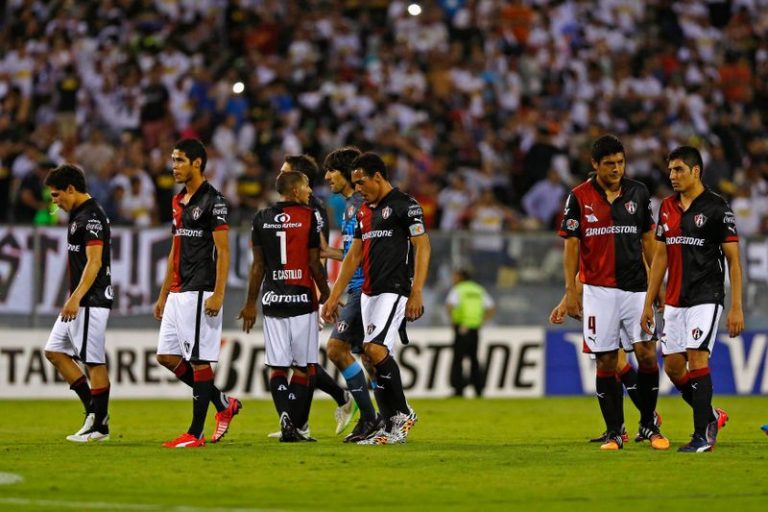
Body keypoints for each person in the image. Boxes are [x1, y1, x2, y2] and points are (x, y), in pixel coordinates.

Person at [560, 135, 668, 451]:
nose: (617, 169)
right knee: (606, 360)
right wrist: (570, 292)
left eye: (620, 162)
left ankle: (649, 424)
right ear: (595, 164)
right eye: (610, 164)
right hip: (598, 291)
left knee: (647, 353)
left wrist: (657, 284)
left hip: (636, 288)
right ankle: (614, 432)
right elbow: (571, 246)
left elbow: (649, 241)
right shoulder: (578, 197)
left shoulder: (638, 192)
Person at [321, 152, 430, 445]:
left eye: (361, 182)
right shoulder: (364, 212)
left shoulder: (405, 205)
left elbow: (422, 247)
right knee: (369, 356)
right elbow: (352, 256)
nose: (357, 189)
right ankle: (389, 425)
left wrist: (417, 291)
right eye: (354, 183)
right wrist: (334, 295)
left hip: (394, 289)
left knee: (374, 349)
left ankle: (403, 413)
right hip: (368, 292)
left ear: (378, 177)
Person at [641, 145, 743, 453]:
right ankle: (711, 415)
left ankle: (702, 436)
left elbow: (734, 261)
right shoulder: (666, 207)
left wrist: (736, 306)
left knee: (698, 358)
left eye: (679, 169)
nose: (672, 175)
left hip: (706, 296)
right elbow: (660, 257)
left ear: (695, 171)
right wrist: (648, 302)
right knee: (673, 368)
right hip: (675, 299)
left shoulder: (717, 207)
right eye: (670, 170)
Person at [153, 138, 241, 448]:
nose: (174, 166)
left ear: (197, 163)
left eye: (179, 160)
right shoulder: (178, 201)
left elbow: (224, 251)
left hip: (201, 290)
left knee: (199, 361)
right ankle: (222, 402)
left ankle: (196, 433)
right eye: (173, 160)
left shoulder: (214, 201)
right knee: (166, 356)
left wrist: (219, 293)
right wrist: (163, 293)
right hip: (178, 291)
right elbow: (175, 249)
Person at [238, 170, 330, 442]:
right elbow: (314, 263)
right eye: (307, 186)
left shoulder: (260, 218)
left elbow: (258, 266)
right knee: (303, 367)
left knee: (278, 367)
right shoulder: (310, 216)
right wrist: (327, 293)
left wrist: (250, 304)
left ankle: (286, 418)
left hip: (273, 300)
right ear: (294, 190)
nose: (310, 191)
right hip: (302, 299)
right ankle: (293, 420)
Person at [278, 154, 357, 435]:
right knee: (295, 357)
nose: (279, 175)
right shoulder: (291, 207)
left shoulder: (313, 208)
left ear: (297, 178)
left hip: (307, 287)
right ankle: (304, 421)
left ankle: (330, 406)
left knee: (301, 358)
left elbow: (321, 251)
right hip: (289, 286)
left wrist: (324, 291)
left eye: (284, 171)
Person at [43, 164, 113, 443]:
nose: (55, 201)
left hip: (90, 300)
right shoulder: (79, 215)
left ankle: (100, 427)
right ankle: (93, 412)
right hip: (82, 298)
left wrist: (75, 298)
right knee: (54, 351)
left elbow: (94, 263)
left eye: (56, 195)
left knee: (93, 361)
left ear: (71, 189)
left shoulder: (91, 217)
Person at [550, 278, 662, 444]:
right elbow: (584, 273)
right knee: (611, 364)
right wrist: (565, 302)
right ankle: (619, 427)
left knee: (616, 363)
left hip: (620, 296)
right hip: (603, 299)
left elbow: (583, 273)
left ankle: (647, 417)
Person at [320, 146, 383, 443]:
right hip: (358, 288)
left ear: (346, 173)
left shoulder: (360, 204)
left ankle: (371, 418)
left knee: (336, 349)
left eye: (332, 170)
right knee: (368, 357)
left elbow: (363, 254)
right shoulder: (350, 205)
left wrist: (335, 296)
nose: (327, 177)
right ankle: (387, 416)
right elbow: (351, 252)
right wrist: (329, 252)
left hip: (364, 287)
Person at [446, 267, 495, 397]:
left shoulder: (458, 289)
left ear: (461, 278)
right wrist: (482, 321)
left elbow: (450, 305)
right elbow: (491, 307)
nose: (453, 279)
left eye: (455, 276)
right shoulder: (478, 289)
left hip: (461, 327)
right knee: (474, 360)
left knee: (458, 359)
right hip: (475, 328)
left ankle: (458, 390)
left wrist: (453, 322)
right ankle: (479, 389)